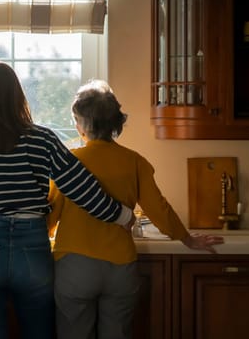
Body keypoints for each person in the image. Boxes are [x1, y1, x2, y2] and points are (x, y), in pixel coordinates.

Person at [0, 62, 135, 339]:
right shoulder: (42, 139)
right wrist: (122, 215)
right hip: (32, 247)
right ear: (19, 96)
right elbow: (81, 187)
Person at [47, 79, 225, 339]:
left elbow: (50, 213)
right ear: (116, 124)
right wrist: (187, 238)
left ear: (82, 123)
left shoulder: (70, 162)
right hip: (120, 268)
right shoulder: (134, 162)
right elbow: (159, 208)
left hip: (75, 266)